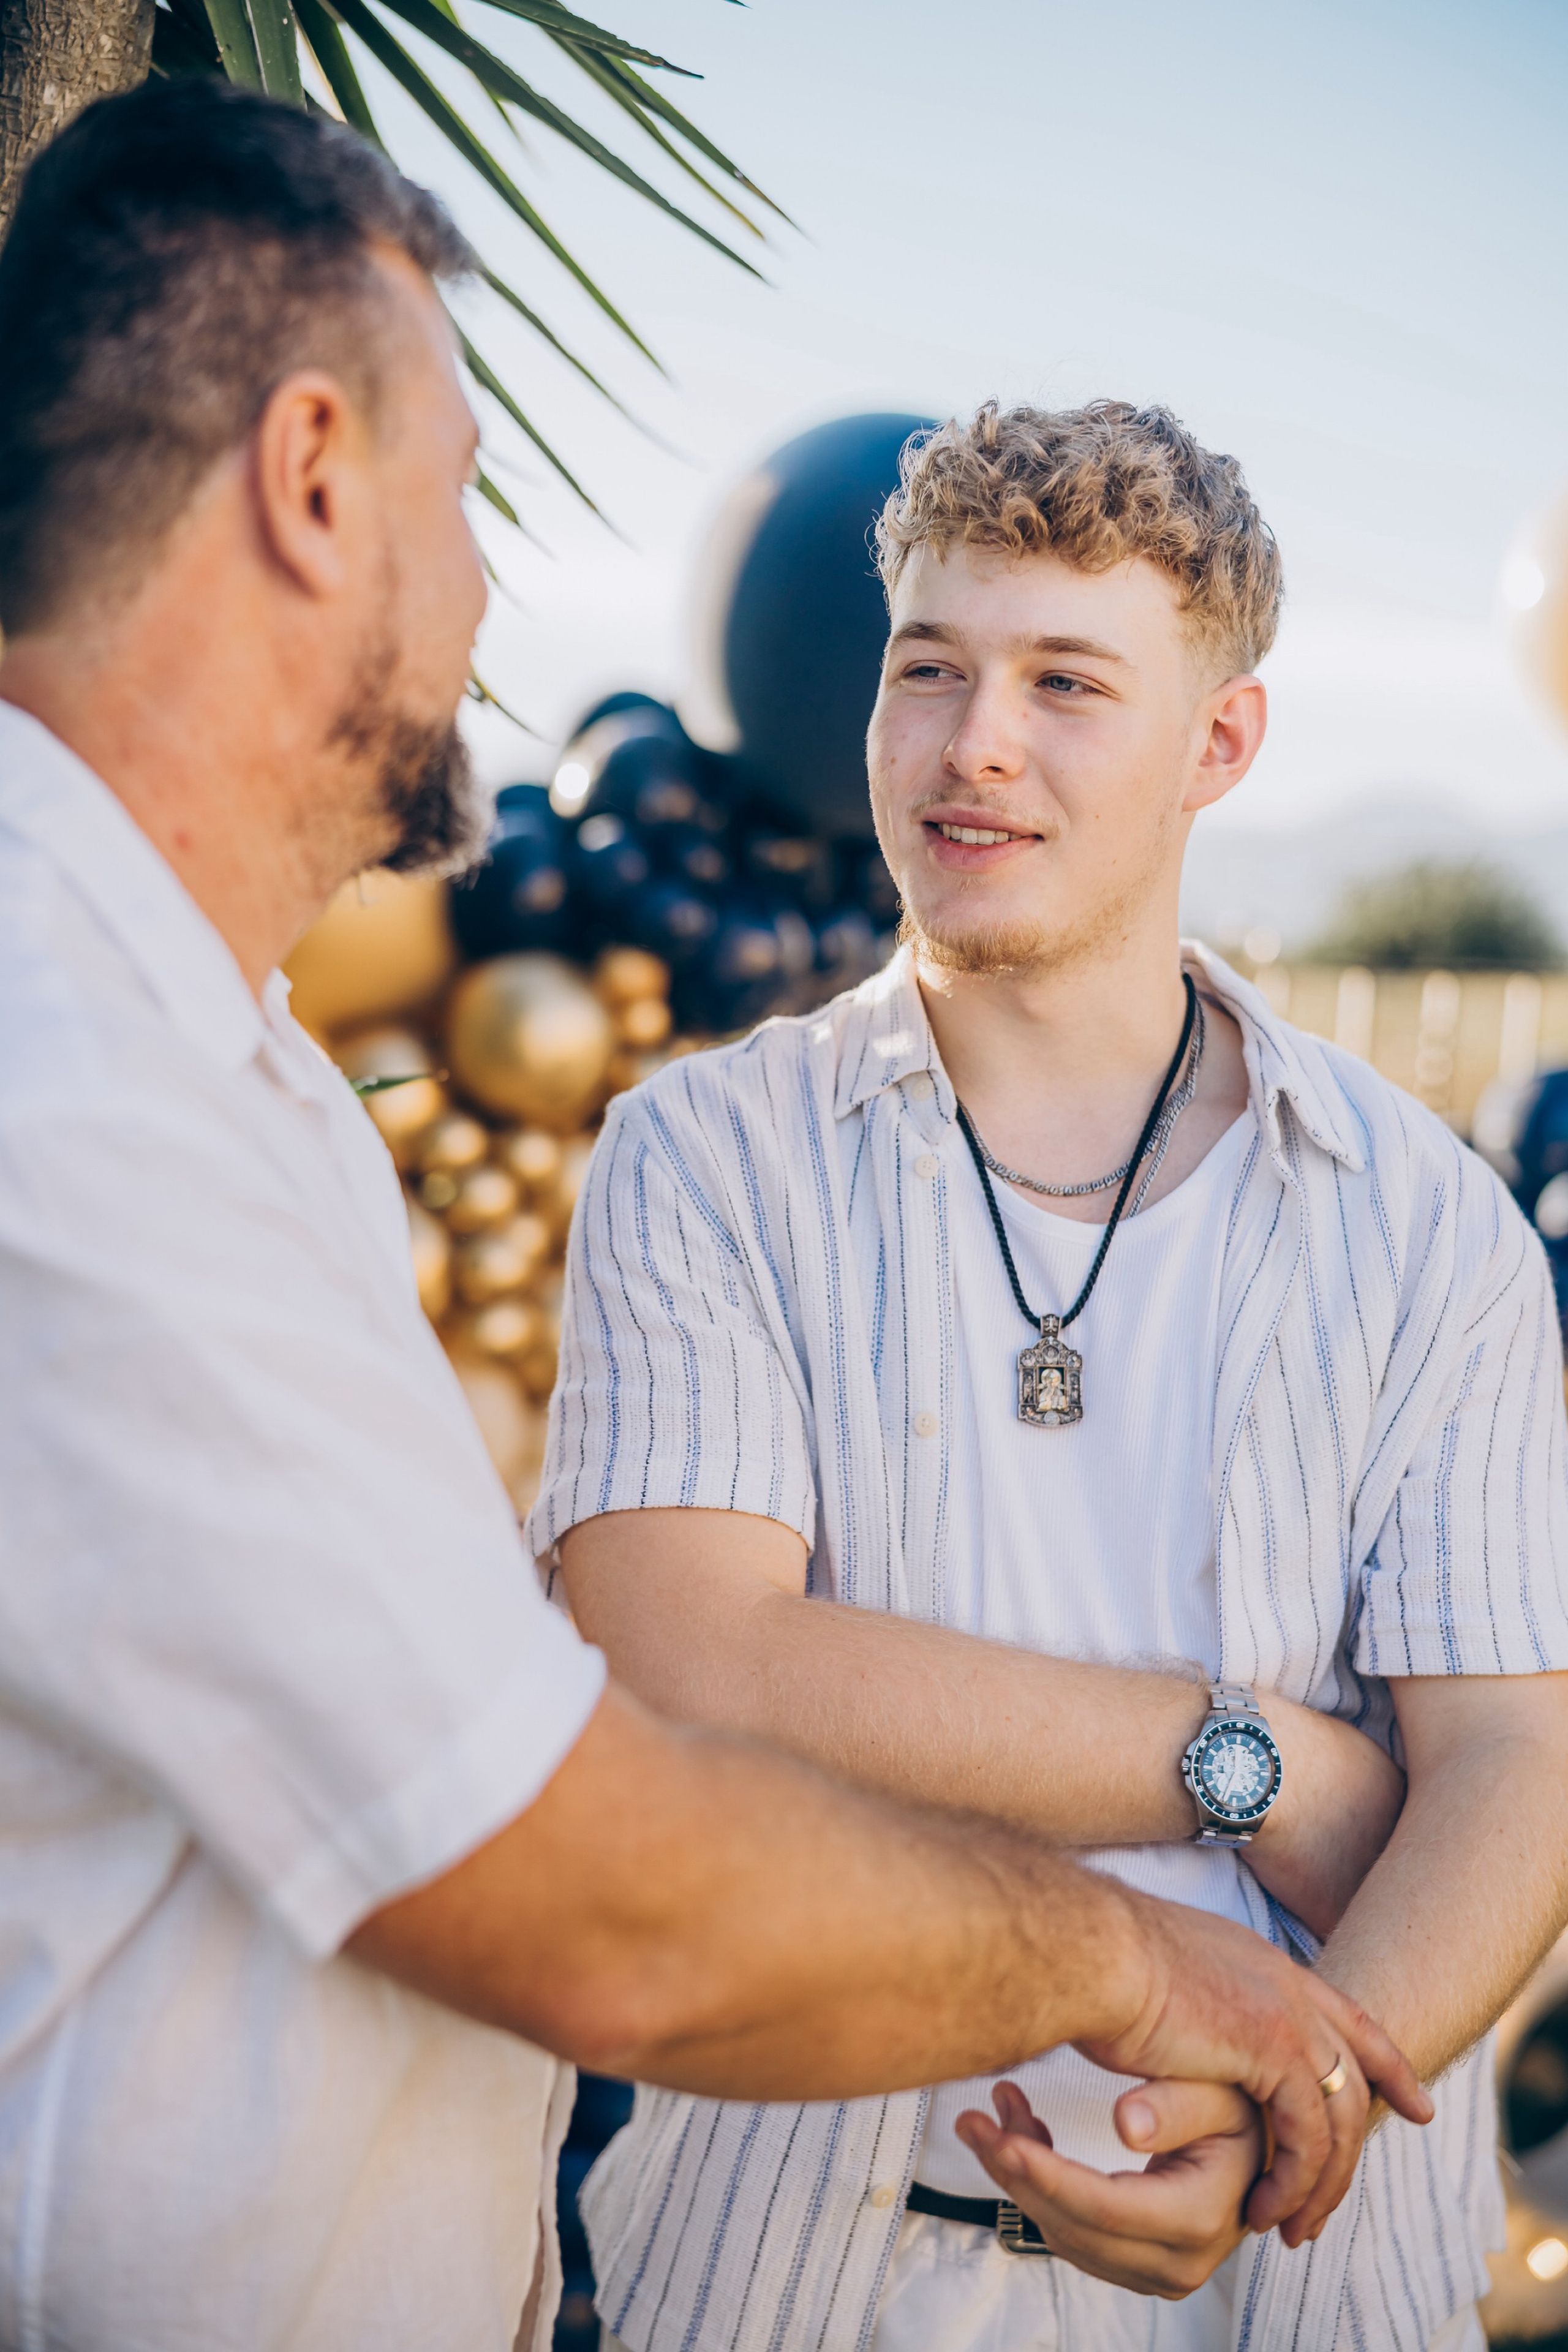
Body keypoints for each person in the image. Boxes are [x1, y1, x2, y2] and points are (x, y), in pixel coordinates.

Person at [0, 87, 1427, 2352]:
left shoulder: (216, 1061)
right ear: (305, 483)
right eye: (463, 497)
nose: (483, 597)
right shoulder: (69, 1089)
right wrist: (1159, 1962)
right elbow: (598, 1891)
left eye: (1074, 685)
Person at [541, 402, 1568, 2352]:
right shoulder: (706, 1161)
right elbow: (699, 1664)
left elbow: (1517, 1763)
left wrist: (1311, 2080)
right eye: (928, 668)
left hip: (1302, 2282)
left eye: (1065, 682)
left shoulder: (1430, 1228)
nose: (972, 743)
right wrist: (1247, 1760)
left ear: (1222, 745)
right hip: (782, 2268)